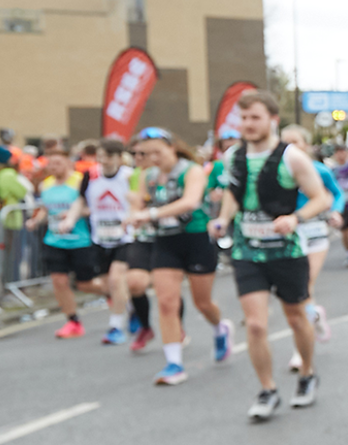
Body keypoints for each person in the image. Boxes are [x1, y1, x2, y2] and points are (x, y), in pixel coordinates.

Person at [208, 91, 335, 420]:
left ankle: (307, 373)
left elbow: (320, 199)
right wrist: (222, 219)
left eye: (255, 118)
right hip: (247, 251)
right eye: (244, 118)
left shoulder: (292, 157)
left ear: (272, 120)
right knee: (254, 325)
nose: (248, 125)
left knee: (296, 317)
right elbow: (235, 196)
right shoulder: (233, 156)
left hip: (286, 251)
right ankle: (268, 389)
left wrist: (296, 218)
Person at [127, 128, 233, 385]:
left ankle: (220, 328)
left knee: (202, 302)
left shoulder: (192, 171)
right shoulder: (148, 175)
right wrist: (134, 214)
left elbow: (190, 202)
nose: (153, 158)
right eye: (146, 154)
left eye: (157, 152)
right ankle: (174, 363)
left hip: (196, 239)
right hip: (165, 241)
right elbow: (141, 204)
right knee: (166, 302)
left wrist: (150, 215)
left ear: (172, 147)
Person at [279, 126, 346, 370]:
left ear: (306, 145)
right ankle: (315, 315)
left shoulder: (319, 170)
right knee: (297, 290)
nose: (290, 147)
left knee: (304, 284)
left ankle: (300, 351)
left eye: (295, 142)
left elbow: (336, 194)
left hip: (315, 229)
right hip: (290, 232)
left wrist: (336, 211)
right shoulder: (278, 172)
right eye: (284, 143)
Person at [81, 140, 150, 348]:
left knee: (115, 279)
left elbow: (140, 200)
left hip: (126, 237)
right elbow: (81, 201)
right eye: (101, 156)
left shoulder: (129, 176)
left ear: (120, 158)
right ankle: (132, 309)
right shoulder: (90, 175)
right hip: (100, 237)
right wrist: (71, 216)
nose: (104, 161)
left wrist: (133, 216)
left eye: (109, 156)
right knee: (106, 284)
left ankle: (115, 327)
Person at [31, 149, 105, 340]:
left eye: (58, 163)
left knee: (85, 284)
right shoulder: (45, 185)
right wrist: (36, 221)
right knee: (59, 281)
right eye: (51, 164)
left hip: (81, 240)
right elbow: (45, 210)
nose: (54, 167)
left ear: (68, 163)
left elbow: (92, 208)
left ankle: (114, 293)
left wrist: (75, 214)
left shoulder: (81, 182)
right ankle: (72, 321)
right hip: (54, 240)